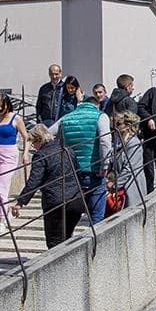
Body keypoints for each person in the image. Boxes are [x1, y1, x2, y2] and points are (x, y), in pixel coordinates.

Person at [12, 126, 87, 249]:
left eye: (33, 143)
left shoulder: (41, 155)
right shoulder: (67, 149)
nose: (33, 147)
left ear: (39, 140)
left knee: (54, 242)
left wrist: (20, 202)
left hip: (55, 203)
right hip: (75, 200)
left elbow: (34, 181)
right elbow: (78, 173)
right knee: (67, 238)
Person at [54, 90, 111, 224]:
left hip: (71, 173)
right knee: (97, 214)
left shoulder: (66, 118)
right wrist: (105, 165)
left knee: (71, 215)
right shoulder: (100, 116)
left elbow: (46, 134)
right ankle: (96, 240)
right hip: (94, 171)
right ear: (96, 105)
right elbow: (105, 141)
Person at [0, 93, 29, 232]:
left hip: (9, 155)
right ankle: (7, 212)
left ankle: (2, 220)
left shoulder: (15, 118)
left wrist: (25, 153)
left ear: (7, 105)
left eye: (2, 106)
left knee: (1, 187)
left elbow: (26, 137)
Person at [111, 112, 148, 210]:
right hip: (120, 187)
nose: (116, 127)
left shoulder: (134, 143)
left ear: (128, 126)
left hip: (132, 186)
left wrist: (115, 185)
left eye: (119, 124)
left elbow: (129, 169)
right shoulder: (118, 141)